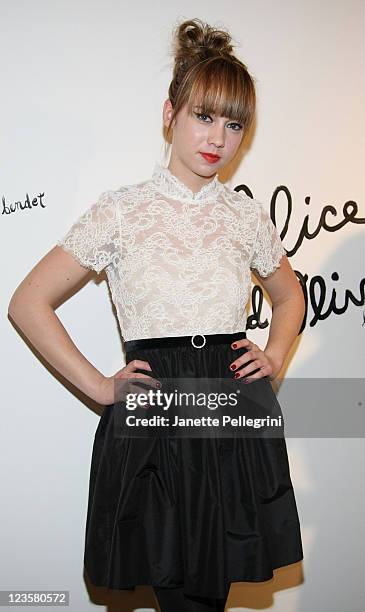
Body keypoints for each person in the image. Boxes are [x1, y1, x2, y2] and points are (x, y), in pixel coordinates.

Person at [8, 17, 305, 612]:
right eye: (203, 116)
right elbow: (26, 303)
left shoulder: (244, 216)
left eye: (234, 123)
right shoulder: (120, 212)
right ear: (170, 114)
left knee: (213, 588)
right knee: (171, 583)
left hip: (231, 408)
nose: (218, 137)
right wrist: (98, 385)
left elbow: (289, 296)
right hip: (156, 411)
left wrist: (272, 356)